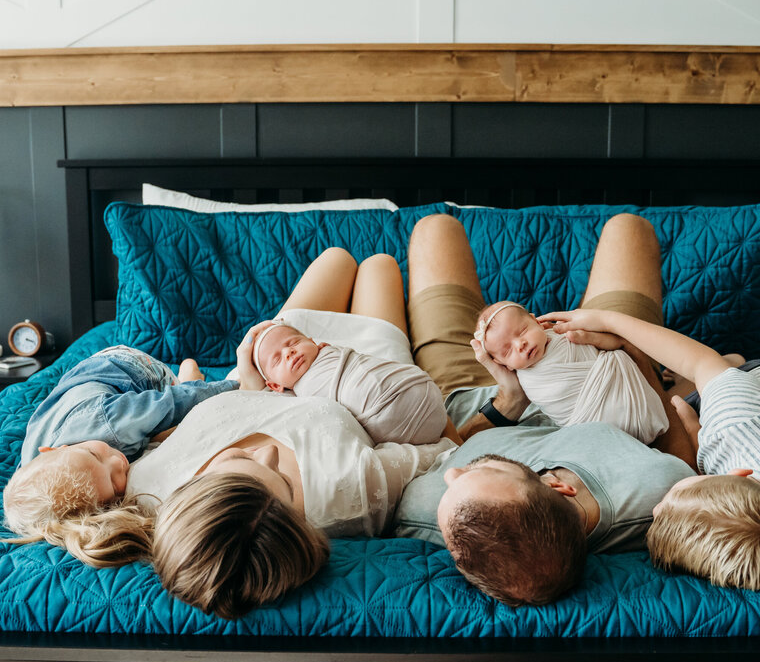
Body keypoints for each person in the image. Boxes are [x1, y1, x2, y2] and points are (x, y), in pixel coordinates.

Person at [47, 248, 455, 619]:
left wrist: (246, 375)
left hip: (274, 365)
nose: (270, 455)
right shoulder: (350, 494)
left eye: (241, 461)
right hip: (364, 378)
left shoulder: (148, 489)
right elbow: (442, 444)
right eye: (286, 489)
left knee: (337, 258)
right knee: (380, 266)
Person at [393, 212, 697, 607]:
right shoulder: (653, 492)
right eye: (484, 469)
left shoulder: (426, 511)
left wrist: (508, 400)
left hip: (467, 387)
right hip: (605, 364)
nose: (452, 473)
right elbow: (677, 447)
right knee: (628, 227)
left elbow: (447, 444)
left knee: (435, 227)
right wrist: (627, 348)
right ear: (557, 486)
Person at [539, 307, 760, 590]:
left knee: (681, 415)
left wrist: (698, 441)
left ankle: (715, 380)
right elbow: (699, 360)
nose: (654, 510)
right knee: (694, 386)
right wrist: (608, 320)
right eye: (674, 496)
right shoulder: (742, 424)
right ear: (740, 472)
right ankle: (731, 365)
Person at [2, 344, 245, 546]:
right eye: (113, 484)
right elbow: (30, 509)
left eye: (95, 455)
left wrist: (236, 386)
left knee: (175, 419)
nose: (117, 462)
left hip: (126, 367)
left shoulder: (110, 423)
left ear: (54, 450)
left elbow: (172, 403)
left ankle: (188, 373)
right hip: (76, 389)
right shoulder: (36, 466)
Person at [471, 300, 668, 445]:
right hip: (597, 428)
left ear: (536, 321)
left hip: (629, 393)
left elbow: (611, 345)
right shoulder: (529, 382)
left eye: (522, 331)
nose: (520, 345)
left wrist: (617, 345)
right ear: (503, 364)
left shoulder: (565, 333)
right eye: (507, 351)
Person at [248, 316, 453, 446]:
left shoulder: (328, 352)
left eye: (293, 342)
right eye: (277, 360)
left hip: (417, 386)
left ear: (316, 343)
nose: (288, 352)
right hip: (388, 420)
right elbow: (258, 403)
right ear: (276, 386)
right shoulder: (293, 398)